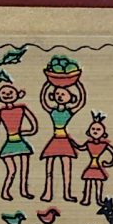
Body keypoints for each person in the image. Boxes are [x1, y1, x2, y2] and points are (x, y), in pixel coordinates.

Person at [39, 55, 86, 203]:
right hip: (55, 139)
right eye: (58, 94)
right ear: (53, 96)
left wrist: (78, 83)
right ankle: (47, 193)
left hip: (64, 140)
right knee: (49, 168)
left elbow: (81, 101)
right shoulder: (52, 111)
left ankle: (67, 193)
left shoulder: (68, 112)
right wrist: (47, 83)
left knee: (67, 168)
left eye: (63, 94)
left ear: (71, 97)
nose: (60, 96)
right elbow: (43, 100)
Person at [0, 78, 38, 201]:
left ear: (18, 94)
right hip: (9, 143)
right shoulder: (0, 113)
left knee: (24, 169)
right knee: (12, 170)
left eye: (10, 92)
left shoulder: (22, 109)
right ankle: (5, 192)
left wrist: (23, 132)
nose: (7, 95)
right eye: (4, 93)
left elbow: (34, 128)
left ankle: (23, 191)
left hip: (20, 142)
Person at [79, 113, 113, 208]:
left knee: (98, 183)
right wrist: (71, 142)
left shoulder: (104, 144)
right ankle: (86, 198)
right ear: (89, 131)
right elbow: (80, 147)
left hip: (97, 167)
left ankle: (99, 199)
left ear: (103, 132)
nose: (95, 131)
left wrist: (109, 163)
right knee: (88, 182)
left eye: (98, 129)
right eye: (93, 129)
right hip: (91, 166)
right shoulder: (89, 143)